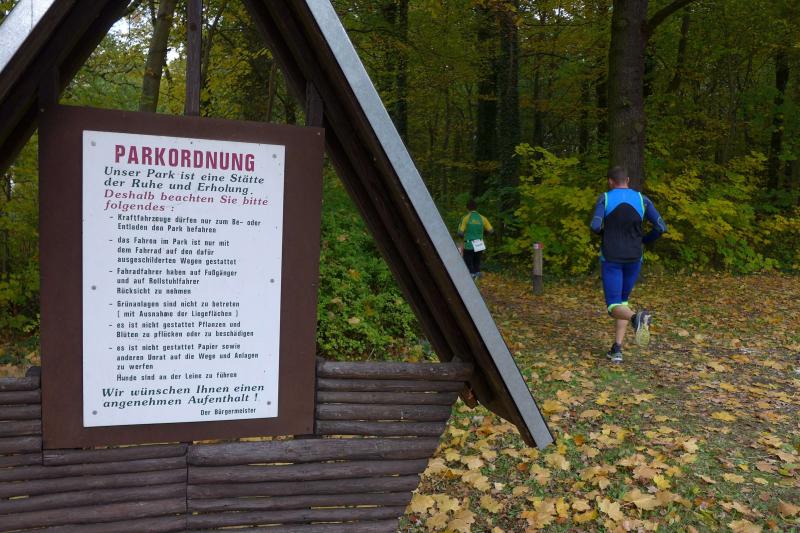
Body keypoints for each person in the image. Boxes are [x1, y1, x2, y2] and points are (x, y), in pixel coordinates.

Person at [590, 166, 667, 363]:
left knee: (613, 306)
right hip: (634, 258)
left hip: (612, 258)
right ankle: (617, 348)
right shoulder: (642, 199)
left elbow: (595, 225)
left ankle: (636, 318)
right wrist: (644, 240)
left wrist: (606, 236)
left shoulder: (605, 198)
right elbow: (661, 227)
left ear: (610, 181)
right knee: (622, 302)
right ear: (628, 180)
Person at [458, 199, 493, 279]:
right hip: (480, 243)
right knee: (477, 259)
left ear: (467, 208)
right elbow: (491, 231)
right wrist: (483, 234)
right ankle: (477, 274)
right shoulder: (483, 218)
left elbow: (460, 233)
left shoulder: (465, 218)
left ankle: (472, 275)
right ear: (476, 208)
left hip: (469, 243)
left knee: (468, 259)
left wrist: (463, 238)